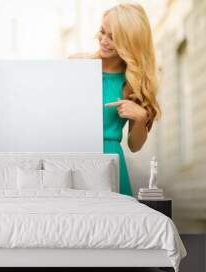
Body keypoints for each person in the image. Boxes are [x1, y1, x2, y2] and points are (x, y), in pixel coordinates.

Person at [69, 3, 161, 196]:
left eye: (113, 37)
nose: (103, 40)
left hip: (109, 160)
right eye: (102, 32)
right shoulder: (77, 65)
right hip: (73, 154)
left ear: (131, 42)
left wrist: (141, 118)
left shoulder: (133, 83)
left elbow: (134, 146)